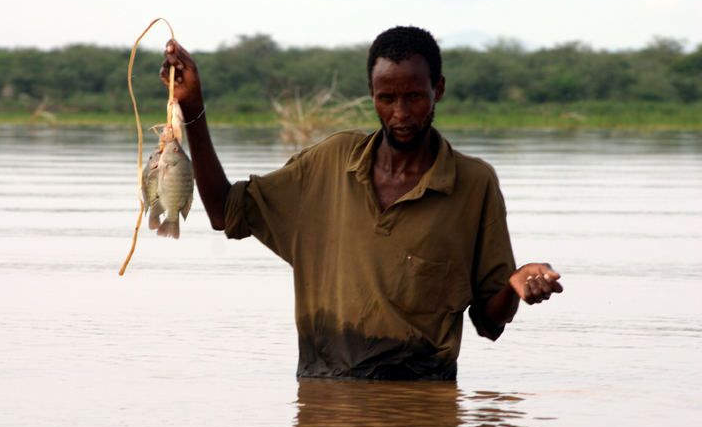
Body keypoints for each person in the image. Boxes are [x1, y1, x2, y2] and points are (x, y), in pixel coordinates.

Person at [160, 25, 563, 380]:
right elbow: (224, 212)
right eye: (387, 98)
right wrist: (192, 106)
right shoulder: (330, 163)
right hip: (323, 394)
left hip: (419, 402)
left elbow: (489, 322)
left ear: (437, 89)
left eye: (414, 96)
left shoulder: (474, 184)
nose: (400, 113)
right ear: (371, 94)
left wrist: (514, 286)